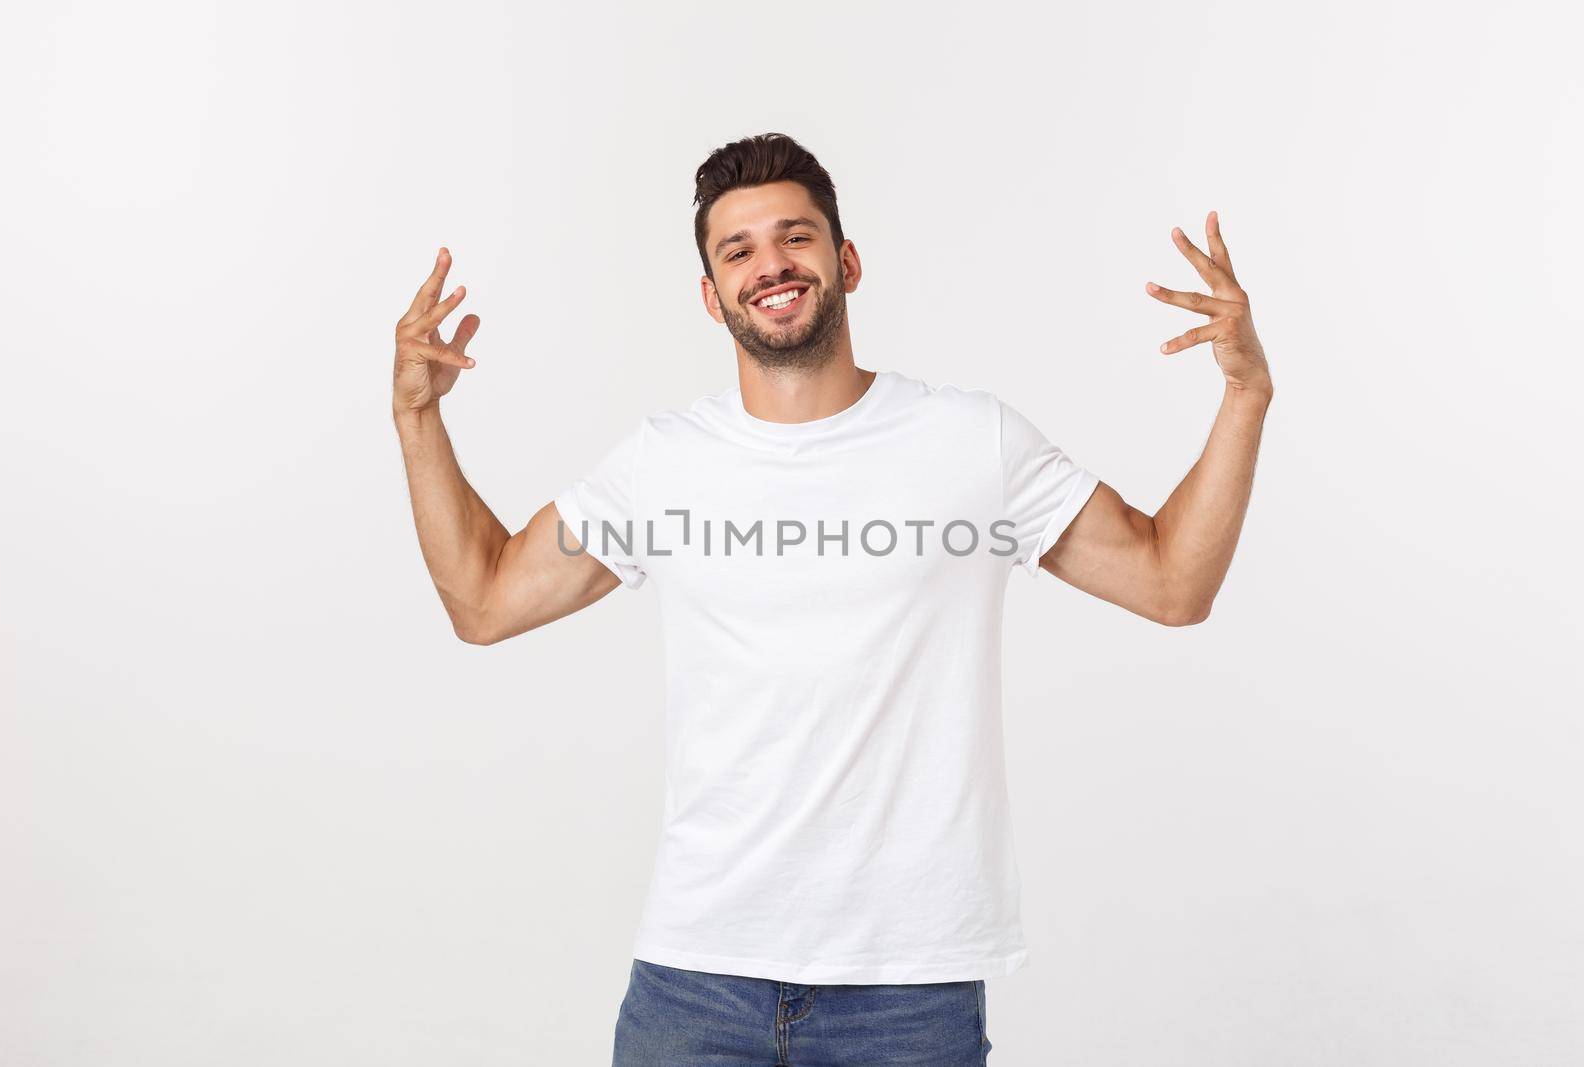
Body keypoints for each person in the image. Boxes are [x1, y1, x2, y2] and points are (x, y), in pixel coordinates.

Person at [391, 132, 1272, 1066]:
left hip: (907, 992)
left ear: (845, 261)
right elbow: (483, 599)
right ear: (711, 294)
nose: (770, 264)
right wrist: (417, 415)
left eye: (795, 237)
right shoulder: (664, 466)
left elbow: (1173, 582)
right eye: (737, 251)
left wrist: (1246, 395)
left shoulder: (972, 445)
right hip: (697, 982)